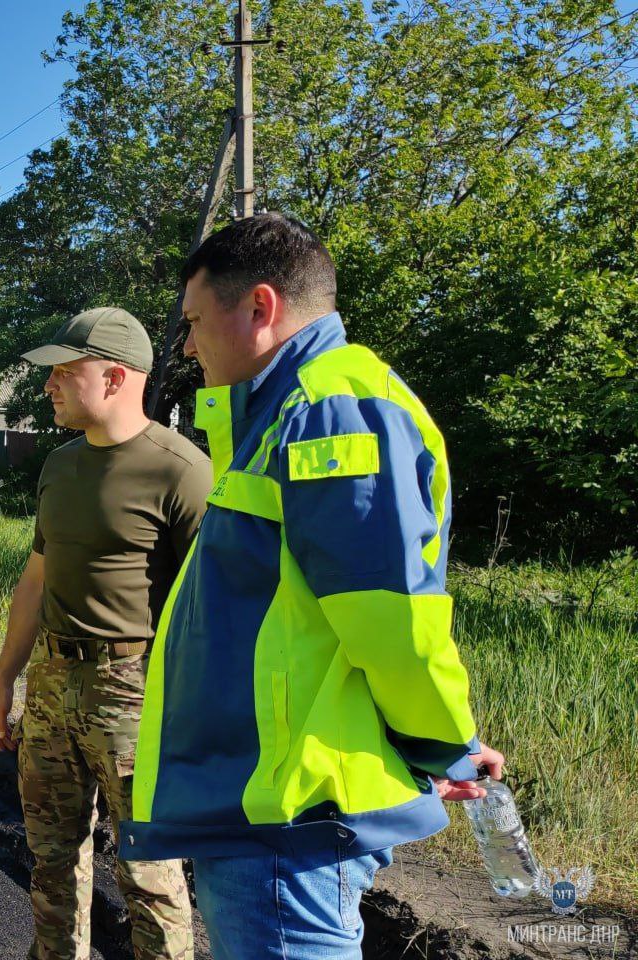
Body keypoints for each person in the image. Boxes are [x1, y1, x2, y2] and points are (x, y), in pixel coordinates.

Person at [119, 214, 504, 960]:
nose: (188, 347)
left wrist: (442, 744)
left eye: (195, 322)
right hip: (271, 810)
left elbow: (387, 615)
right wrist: (438, 751)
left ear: (260, 309)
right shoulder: (286, 414)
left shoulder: (332, 409)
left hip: (288, 820)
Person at [0, 307, 207, 960]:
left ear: (113, 377)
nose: (48, 384)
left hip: (136, 693)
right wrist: (4, 679)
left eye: (63, 372)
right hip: (52, 683)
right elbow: (35, 581)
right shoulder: (59, 465)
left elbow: (206, 610)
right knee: (51, 860)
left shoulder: (181, 471)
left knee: (150, 874)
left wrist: (193, 720)